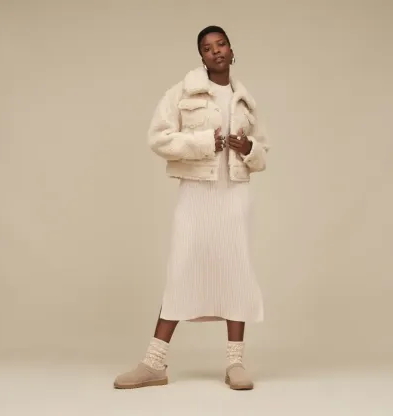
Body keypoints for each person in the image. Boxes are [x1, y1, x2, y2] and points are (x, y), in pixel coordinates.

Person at [114, 25, 270, 391]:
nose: (216, 51)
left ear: (232, 50)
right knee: (181, 273)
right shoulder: (181, 93)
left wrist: (249, 149)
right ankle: (154, 363)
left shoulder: (245, 101)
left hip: (235, 196)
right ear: (201, 57)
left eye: (221, 44)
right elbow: (158, 138)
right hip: (196, 195)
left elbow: (263, 152)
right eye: (207, 47)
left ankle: (235, 363)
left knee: (236, 273)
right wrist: (204, 143)